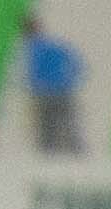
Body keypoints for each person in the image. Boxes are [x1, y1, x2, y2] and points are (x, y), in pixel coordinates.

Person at [21, 15, 85, 155]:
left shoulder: (31, 50)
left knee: (47, 131)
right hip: (63, 92)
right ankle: (79, 156)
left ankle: (50, 160)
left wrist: (33, 88)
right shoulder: (54, 44)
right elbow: (76, 63)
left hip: (44, 95)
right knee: (69, 126)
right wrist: (70, 81)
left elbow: (30, 75)